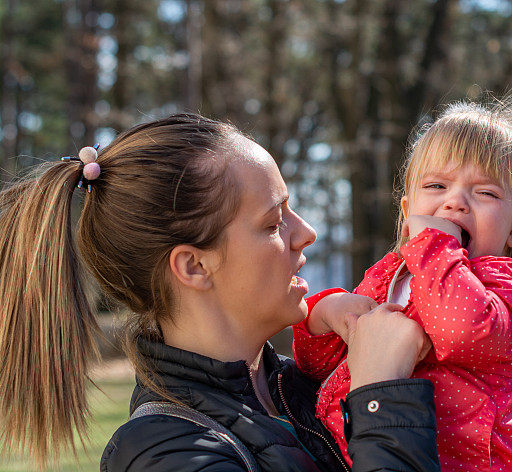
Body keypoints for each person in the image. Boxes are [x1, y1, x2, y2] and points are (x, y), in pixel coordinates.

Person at [0, 113, 439, 471]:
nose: (306, 233)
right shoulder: (166, 455)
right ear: (194, 266)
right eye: (272, 223)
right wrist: (382, 397)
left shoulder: (303, 389)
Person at [293, 99, 512, 472]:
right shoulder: (388, 277)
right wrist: (327, 313)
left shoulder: (506, 286)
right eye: (436, 185)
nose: (455, 202)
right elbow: (315, 365)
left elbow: (463, 330)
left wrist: (435, 245)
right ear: (407, 213)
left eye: (485, 193)